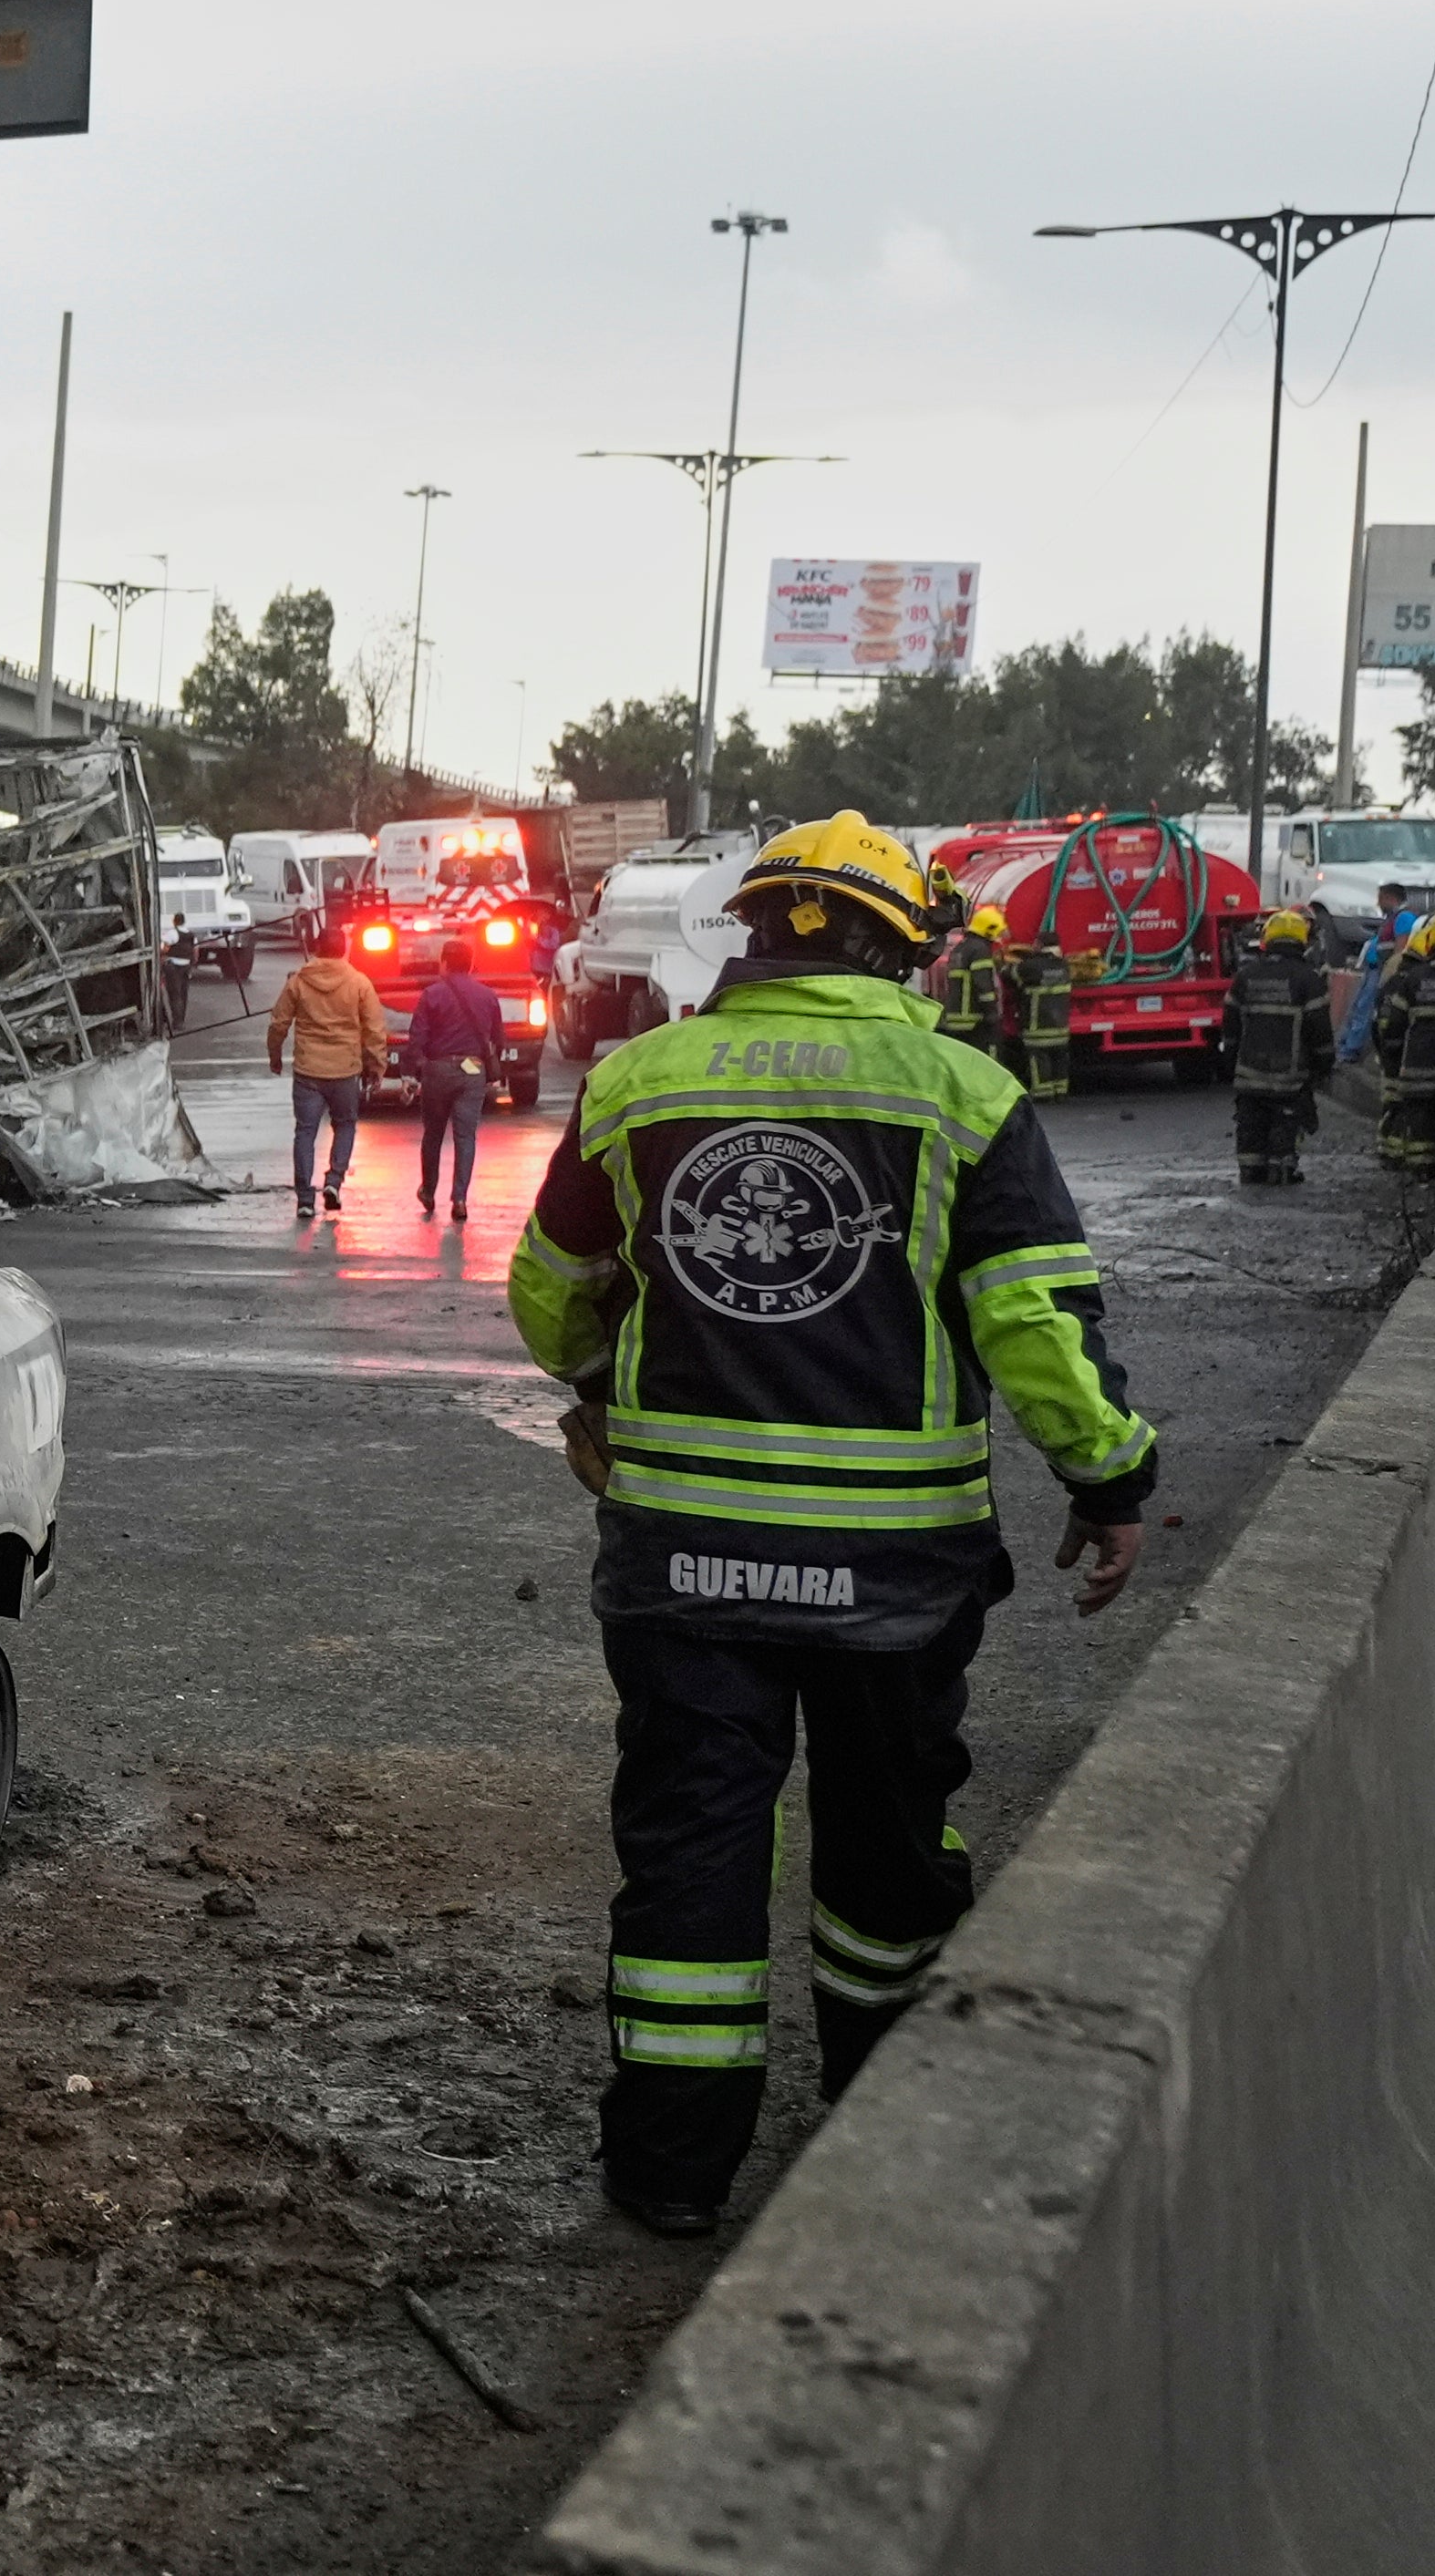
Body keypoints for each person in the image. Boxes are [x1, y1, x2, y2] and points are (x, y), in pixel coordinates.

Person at [509, 809, 1155, 2240]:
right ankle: (875, 2133)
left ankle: (670, 2171)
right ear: (899, 944)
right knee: (884, 1857)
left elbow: (554, 1293)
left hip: (681, 1563)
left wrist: (599, 1383)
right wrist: (1109, 1477)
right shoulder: (962, 1092)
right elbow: (1031, 1323)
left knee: (689, 1854)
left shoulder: (638, 1081)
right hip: (896, 1578)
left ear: (755, 927)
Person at [264, 931, 392, 1219]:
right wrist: (376, 1066)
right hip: (345, 1070)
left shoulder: (298, 981)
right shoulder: (359, 983)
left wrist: (275, 1056)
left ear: (318, 947)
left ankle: (305, 1200)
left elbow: (279, 1023)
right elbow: (374, 1030)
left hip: (308, 1069)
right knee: (345, 1125)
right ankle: (334, 1181)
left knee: (305, 1132)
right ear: (344, 949)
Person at [403, 933, 508, 1221]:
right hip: (472, 1069)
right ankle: (460, 1198)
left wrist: (412, 1072)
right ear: (471, 965)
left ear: (445, 964)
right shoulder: (488, 996)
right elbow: (498, 1038)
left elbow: (417, 1038)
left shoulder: (432, 995)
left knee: (433, 1134)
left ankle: (428, 1190)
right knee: (465, 1136)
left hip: (438, 1070)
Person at [1226, 911, 1334, 1186]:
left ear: (1267, 938)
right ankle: (1282, 1169)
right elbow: (1319, 1029)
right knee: (1286, 1125)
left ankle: (1250, 1172)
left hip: (1249, 1075)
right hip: (1291, 1078)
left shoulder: (1246, 976)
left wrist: (1231, 1060)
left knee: (1250, 1126)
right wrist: (1324, 1065)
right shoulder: (1308, 979)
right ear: (1303, 940)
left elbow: (1230, 1024)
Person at [1374, 912, 1435, 1183]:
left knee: (1421, 1122)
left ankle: (1422, 1174)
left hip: (1419, 1067)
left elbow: (1393, 1027)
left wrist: (1392, 1057)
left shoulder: (1412, 979)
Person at [1338, 882, 1411, 1063]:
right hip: (1373, 969)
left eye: (1380, 899)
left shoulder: (1404, 918)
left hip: (1381, 972)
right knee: (1358, 1007)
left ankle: (1351, 1050)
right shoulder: (1392, 918)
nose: (1378, 904)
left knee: (1365, 1010)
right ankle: (1345, 1045)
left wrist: (1390, 975)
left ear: (1390, 898)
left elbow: (1400, 950)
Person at [930, 907, 1010, 1063]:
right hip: (975, 1019)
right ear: (989, 929)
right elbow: (983, 985)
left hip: (956, 1018)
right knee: (987, 1062)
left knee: (962, 1062)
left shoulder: (960, 949)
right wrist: (992, 1014)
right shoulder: (980, 950)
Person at [1009, 933, 1076, 1100]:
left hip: (1037, 1025)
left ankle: (1043, 1094)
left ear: (1038, 944)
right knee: (1060, 1058)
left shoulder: (1030, 966)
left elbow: (1009, 975)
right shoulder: (1064, 966)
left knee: (1039, 1059)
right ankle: (1061, 1092)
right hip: (1060, 1025)